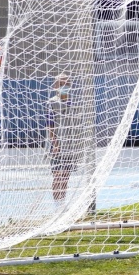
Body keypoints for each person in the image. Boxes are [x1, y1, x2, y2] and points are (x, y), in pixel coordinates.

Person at [46, 74, 84, 203]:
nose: (65, 86)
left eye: (67, 84)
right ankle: (57, 204)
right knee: (58, 176)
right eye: (62, 84)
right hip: (57, 146)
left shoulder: (75, 103)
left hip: (70, 146)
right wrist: (55, 143)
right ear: (55, 86)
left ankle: (62, 202)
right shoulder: (52, 102)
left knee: (66, 177)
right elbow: (50, 126)